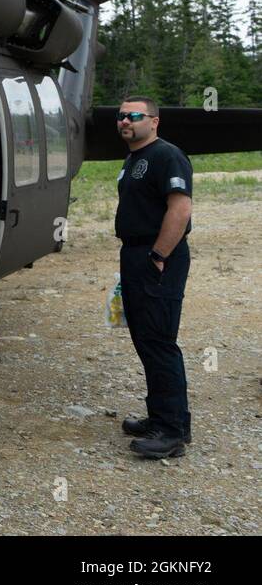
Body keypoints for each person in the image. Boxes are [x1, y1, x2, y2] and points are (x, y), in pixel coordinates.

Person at [113, 96, 194, 459]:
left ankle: (172, 433)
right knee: (145, 339)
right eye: (121, 116)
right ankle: (161, 416)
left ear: (154, 121)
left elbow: (180, 208)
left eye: (133, 115)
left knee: (159, 340)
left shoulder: (167, 156)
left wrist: (158, 256)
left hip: (157, 256)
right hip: (135, 254)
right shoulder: (135, 158)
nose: (125, 121)